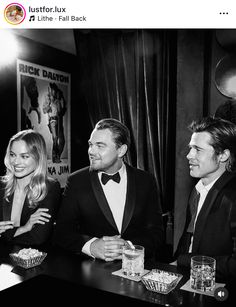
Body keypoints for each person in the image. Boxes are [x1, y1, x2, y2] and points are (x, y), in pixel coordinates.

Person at [53, 118, 164, 262]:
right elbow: (62, 232)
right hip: (91, 274)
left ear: (121, 150)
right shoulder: (76, 181)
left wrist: (129, 247)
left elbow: (156, 232)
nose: (91, 151)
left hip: (137, 270)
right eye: (90, 145)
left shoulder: (145, 180)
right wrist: (91, 246)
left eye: (100, 146)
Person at [175, 116, 236, 282]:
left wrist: (186, 261)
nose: (189, 155)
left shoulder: (233, 198)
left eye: (198, 149)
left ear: (223, 155)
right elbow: (189, 238)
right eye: (190, 148)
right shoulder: (198, 189)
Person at [0, 129, 61, 247]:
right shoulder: (1, 185)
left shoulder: (49, 188)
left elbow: (38, 238)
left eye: (24, 156)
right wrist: (25, 228)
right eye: (12, 155)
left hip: (33, 261)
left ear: (38, 158)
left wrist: (3, 235)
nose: (16, 162)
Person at [42, 83, 66, 163]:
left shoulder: (57, 100)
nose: (53, 92)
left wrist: (60, 103)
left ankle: (56, 157)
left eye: (54, 90)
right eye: (52, 90)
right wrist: (49, 103)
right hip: (52, 120)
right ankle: (55, 158)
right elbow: (44, 110)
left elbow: (61, 111)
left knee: (61, 140)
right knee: (55, 138)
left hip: (58, 120)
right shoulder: (48, 98)